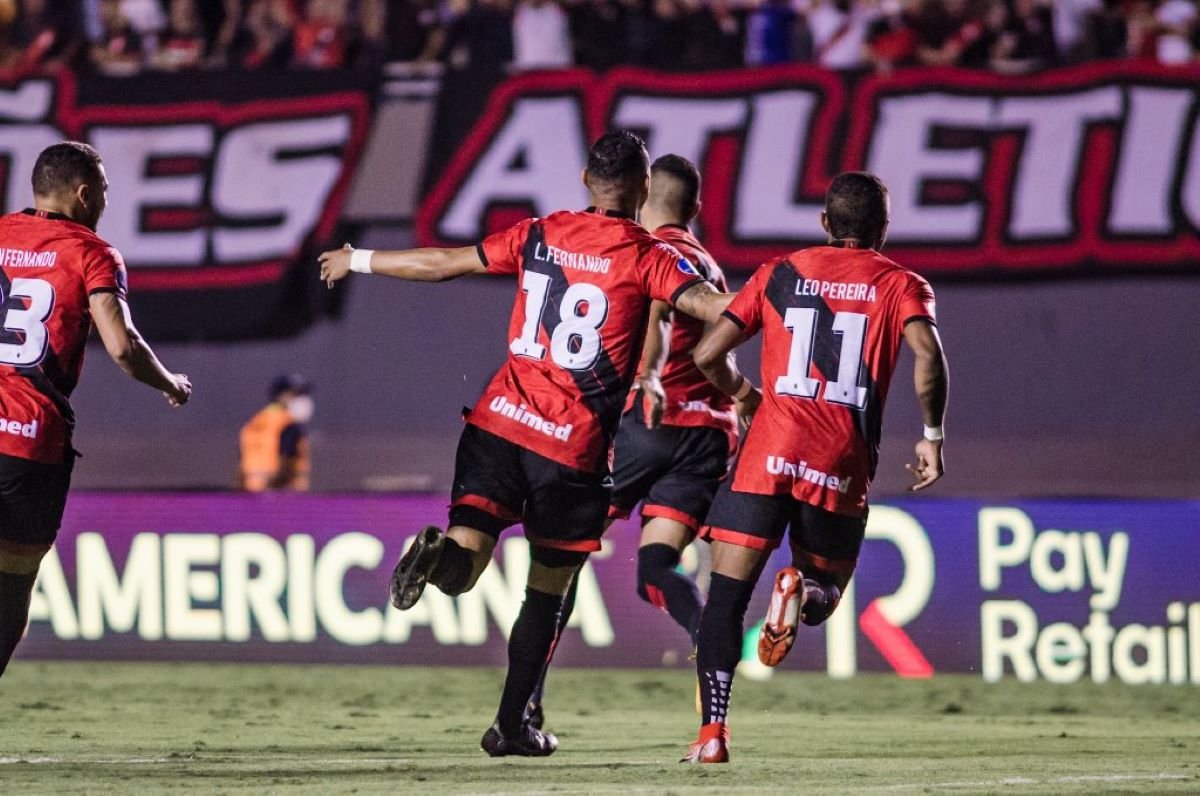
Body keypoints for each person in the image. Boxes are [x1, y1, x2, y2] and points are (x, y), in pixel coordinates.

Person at [318, 131, 734, 757]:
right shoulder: (648, 256)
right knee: (547, 590)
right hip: (569, 452)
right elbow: (704, 303)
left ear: (584, 179)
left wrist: (361, 258)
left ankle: (437, 559)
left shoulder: (541, 232)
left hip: (497, 427)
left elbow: (443, 263)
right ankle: (511, 726)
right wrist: (777, 305)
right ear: (643, 189)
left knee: (464, 566)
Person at [681, 171, 949, 763]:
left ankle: (712, 736)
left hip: (765, 456)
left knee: (724, 599)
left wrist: (745, 394)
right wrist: (931, 436)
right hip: (840, 460)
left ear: (825, 223)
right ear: (883, 229)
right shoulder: (901, 283)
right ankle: (801, 587)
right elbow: (928, 355)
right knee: (825, 598)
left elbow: (705, 354)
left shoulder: (779, 272)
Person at [525, 154, 742, 729]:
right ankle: (706, 644)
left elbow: (657, 314)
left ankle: (528, 694)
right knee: (657, 570)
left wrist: (646, 373)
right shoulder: (708, 263)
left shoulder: (653, 256)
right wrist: (743, 395)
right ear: (695, 208)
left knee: (561, 557)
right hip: (706, 437)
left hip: (647, 423)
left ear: (644, 201)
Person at [0, 141, 192, 679]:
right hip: (28, 445)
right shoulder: (92, 251)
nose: (105, 202)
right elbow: (123, 346)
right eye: (104, 191)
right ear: (84, 195)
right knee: (10, 586)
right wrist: (170, 382)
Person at [239, 374, 313, 492]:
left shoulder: (255, 422)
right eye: (297, 394)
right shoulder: (288, 424)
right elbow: (287, 463)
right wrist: (273, 489)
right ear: (281, 396)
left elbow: (241, 469)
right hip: (282, 497)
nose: (303, 399)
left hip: (251, 497)